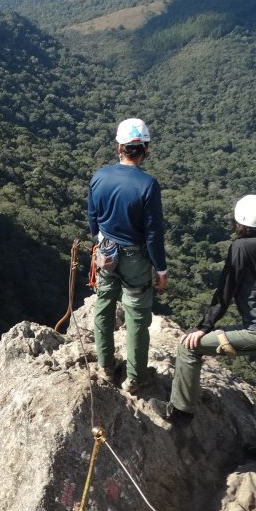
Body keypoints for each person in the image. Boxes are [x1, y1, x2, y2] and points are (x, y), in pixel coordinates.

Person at [149, 194, 256, 471]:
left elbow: (225, 292)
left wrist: (204, 327)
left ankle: (180, 411)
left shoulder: (242, 247)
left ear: (239, 221)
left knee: (189, 348)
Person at [88, 117, 168, 395]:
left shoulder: (99, 176)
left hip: (106, 252)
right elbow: (153, 233)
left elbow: (93, 218)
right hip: (136, 258)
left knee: (105, 305)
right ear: (144, 148)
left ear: (119, 147)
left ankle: (105, 366)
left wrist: (100, 241)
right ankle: (135, 377)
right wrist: (160, 269)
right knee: (135, 317)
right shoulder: (148, 185)